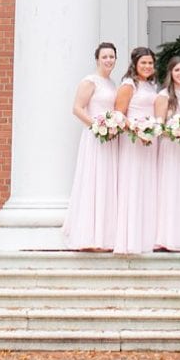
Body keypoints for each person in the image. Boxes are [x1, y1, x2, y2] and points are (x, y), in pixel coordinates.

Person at [61, 42, 120, 251]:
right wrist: (97, 126)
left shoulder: (112, 83)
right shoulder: (90, 81)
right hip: (94, 136)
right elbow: (77, 108)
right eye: (105, 57)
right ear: (97, 59)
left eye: (112, 57)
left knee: (106, 182)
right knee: (93, 180)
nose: (108, 60)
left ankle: (104, 236)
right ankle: (87, 236)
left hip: (110, 138)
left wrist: (112, 126)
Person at [111, 47, 160, 255]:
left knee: (148, 186)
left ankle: (146, 237)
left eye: (150, 63)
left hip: (149, 141)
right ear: (135, 64)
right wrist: (136, 129)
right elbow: (119, 115)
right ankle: (129, 239)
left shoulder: (151, 86)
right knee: (133, 185)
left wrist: (150, 130)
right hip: (133, 141)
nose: (147, 66)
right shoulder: (128, 85)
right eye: (144, 63)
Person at [152, 55, 180, 252]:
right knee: (172, 189)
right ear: (171, 72)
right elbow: (158, 126)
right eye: (177, 70)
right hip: (171, 147)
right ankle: (168, 237)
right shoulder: (163, 96)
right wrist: (175, 131)